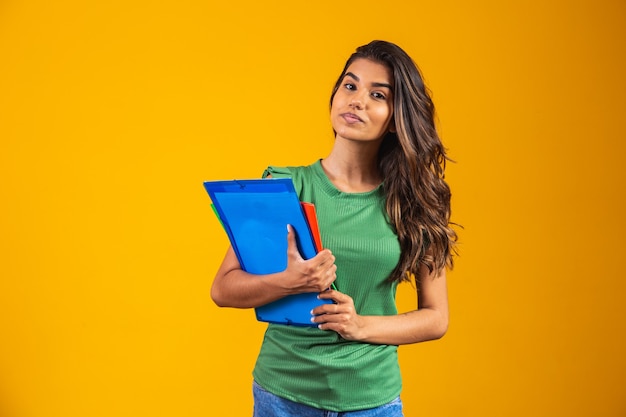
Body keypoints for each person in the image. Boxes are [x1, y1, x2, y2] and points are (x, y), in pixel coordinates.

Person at [211, 40, 457, 416]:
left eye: (377, 94)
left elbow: (436, 318)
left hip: (373, 400)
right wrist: (290, 281)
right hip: (283, 395)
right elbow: (223, 289)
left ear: (395, 118)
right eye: (350, 85)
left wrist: (359, 326)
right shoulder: (285, 188)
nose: (357, 100)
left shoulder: (413, 203)